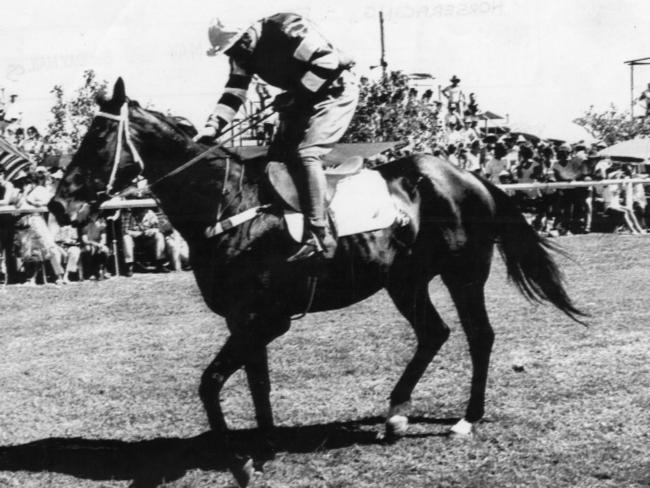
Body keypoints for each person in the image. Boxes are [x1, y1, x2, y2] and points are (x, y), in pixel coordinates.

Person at [194, 13, 359, 261]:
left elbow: (328, 61)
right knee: (274, 163)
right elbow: (234, 93)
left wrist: (295, 94)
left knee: (307, 154)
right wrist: (212, 127)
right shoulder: (241, 52)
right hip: (302, 98)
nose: (234, 56)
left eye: (235, 48)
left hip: (335, 92)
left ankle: (319, 233)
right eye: (228, 52)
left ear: (247, 35)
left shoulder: (286, 27)